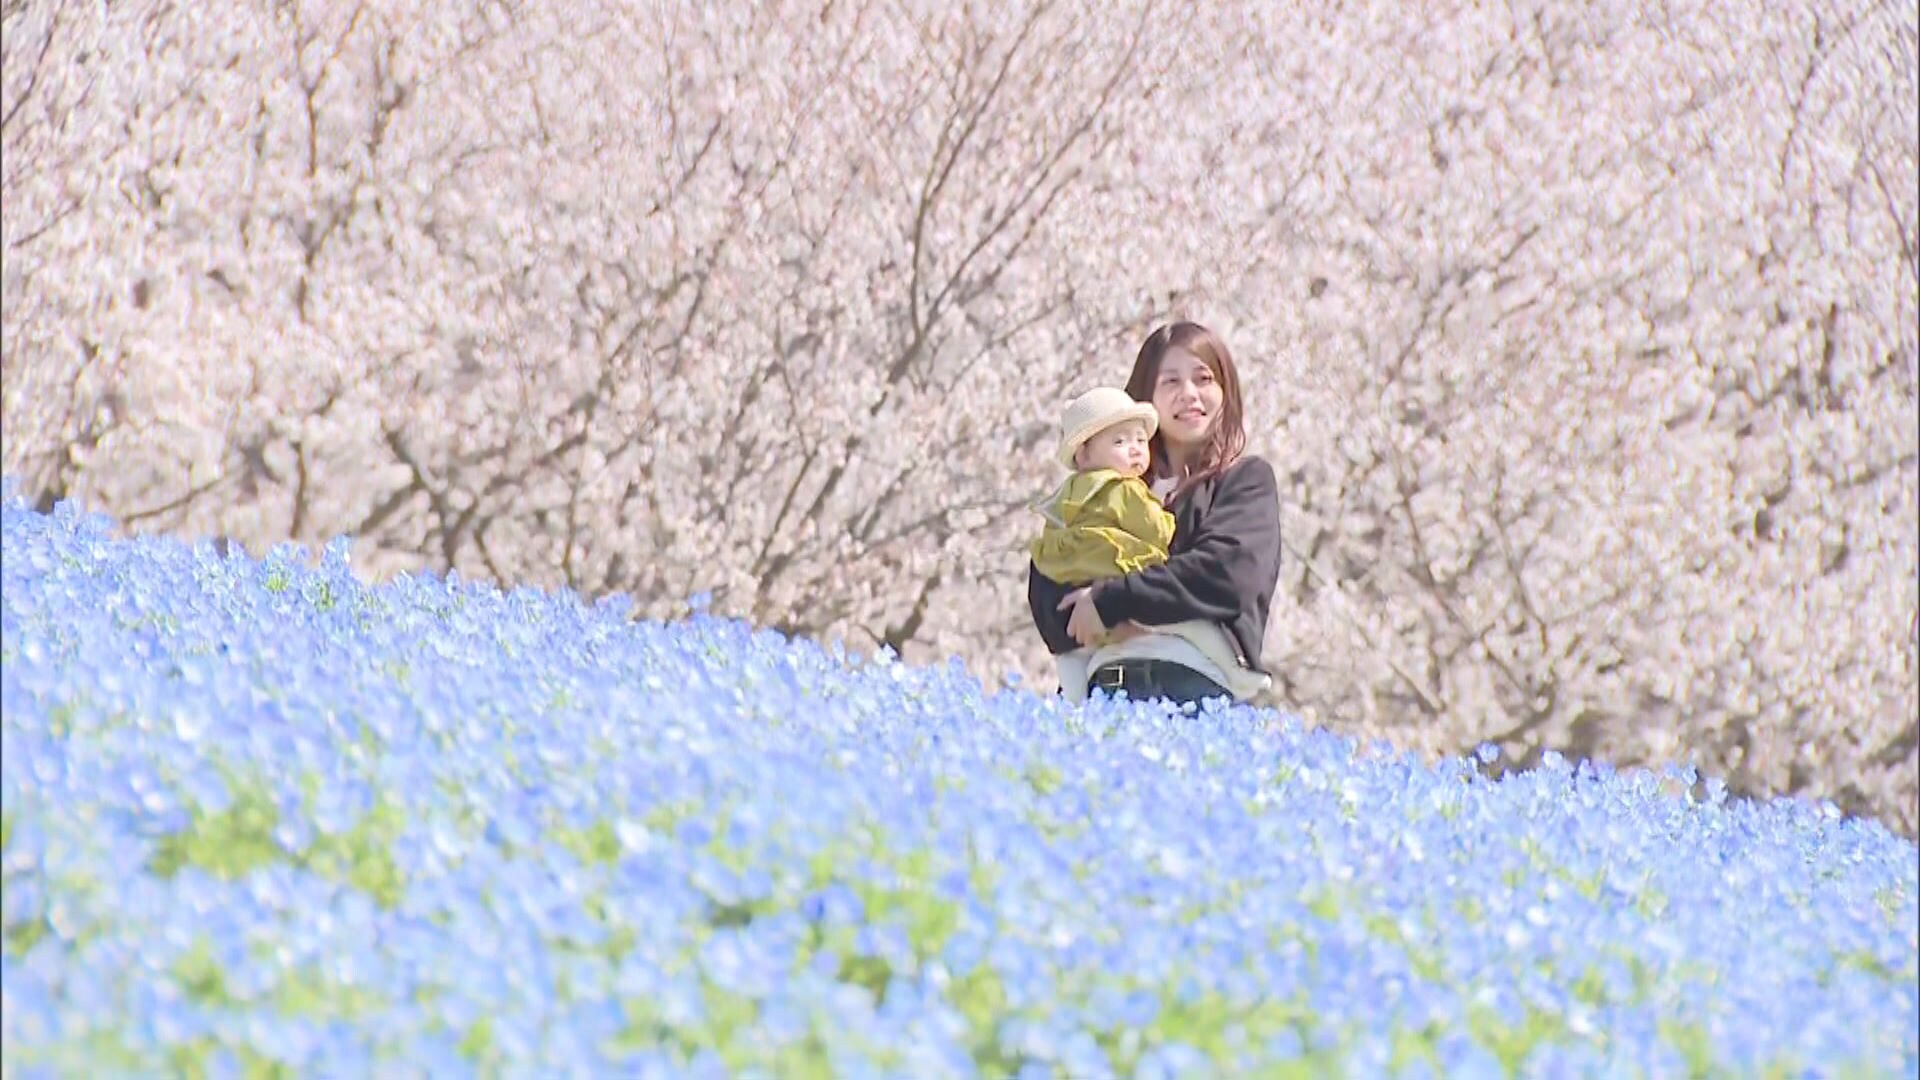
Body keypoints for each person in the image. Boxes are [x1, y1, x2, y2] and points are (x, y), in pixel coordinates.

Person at [1028, 322, 1282, 707]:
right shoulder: (1099, 487)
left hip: (1195, 689)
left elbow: (1227, 575)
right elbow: (1049, 593)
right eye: (1170, 382)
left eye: (1204, 379)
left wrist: (1110, 602)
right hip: (1103, 688)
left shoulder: (1243, 481)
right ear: (1144, 396)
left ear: (1225, 391)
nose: (1189, 395)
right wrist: (1136, 612)